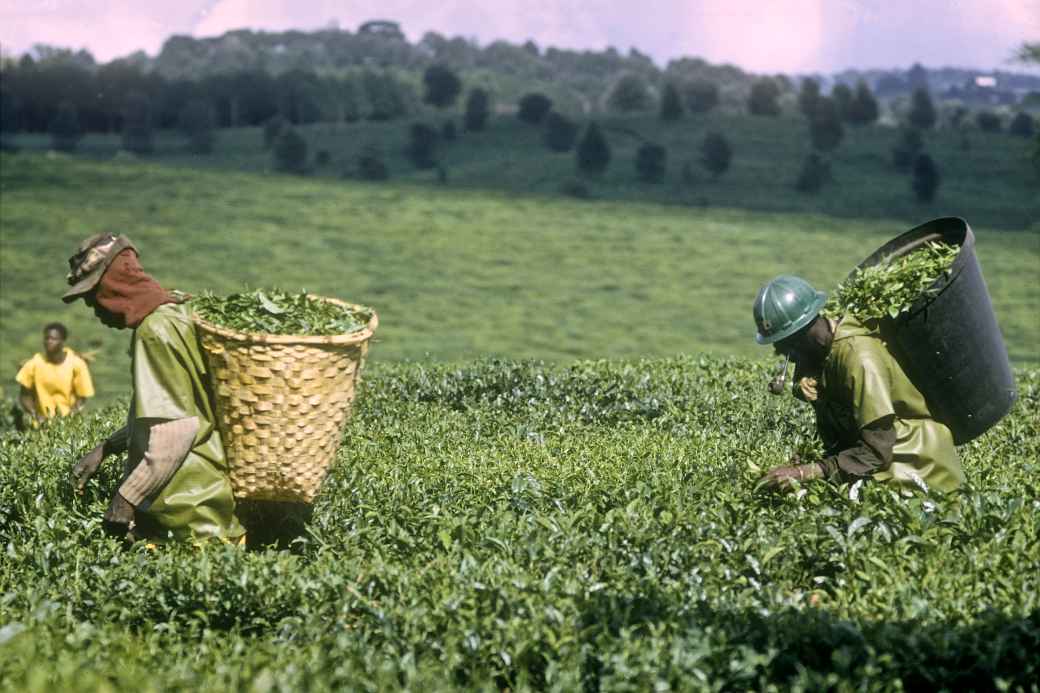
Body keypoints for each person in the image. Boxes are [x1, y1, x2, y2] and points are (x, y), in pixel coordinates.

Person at [63, 233, 245, 543]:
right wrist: (108, 447)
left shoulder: (154, 332)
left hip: (186, 517)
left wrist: (125, 500)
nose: (94, 310)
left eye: (94, 297)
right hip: (212, 504)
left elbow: (177, 430)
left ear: (115, 285)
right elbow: (182, 406)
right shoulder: (176, 311)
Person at [752, 275, 964, 494]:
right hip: (879, 468)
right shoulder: (822, 354)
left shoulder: (860, 360)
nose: (785, 356)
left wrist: (810, 471)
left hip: (915, 471)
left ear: (801, 336)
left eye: (785, 347)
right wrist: (807, 458)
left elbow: (878, 448)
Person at [16, 322, 95, 427]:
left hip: (69, 424)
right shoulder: (34, 364)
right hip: (40, 425)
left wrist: (70, 416)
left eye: (53, 339)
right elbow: (24, 396)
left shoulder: (76, 364)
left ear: (63, 341)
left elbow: (82, 397)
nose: (49, 342)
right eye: (47, 338)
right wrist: (35, 415)